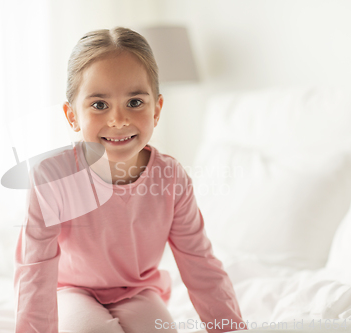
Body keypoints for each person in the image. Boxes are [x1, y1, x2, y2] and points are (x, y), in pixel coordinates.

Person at [14, 26, 248, 333]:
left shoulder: (171, 177)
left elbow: (200, 262)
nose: (119, 120)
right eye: (99, 105)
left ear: (157, 109)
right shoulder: (51, 177)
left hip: (137, 291)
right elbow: (35, 268)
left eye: (135, 102)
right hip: (70, 291)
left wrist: (230, 328)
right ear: (72, 116)